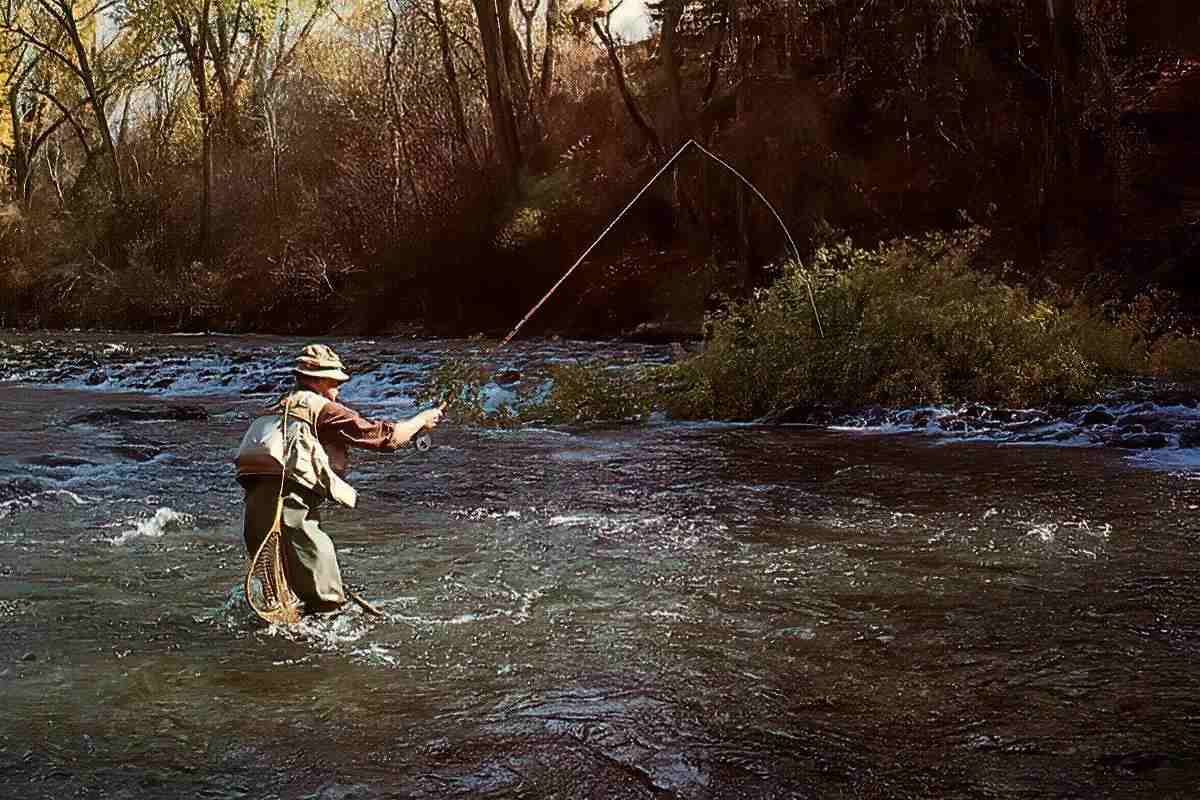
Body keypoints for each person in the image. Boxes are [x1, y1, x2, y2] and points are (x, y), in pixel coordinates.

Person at [235, 344, 442, 613]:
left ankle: (285, 618)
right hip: (290, 497)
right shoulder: (325, 409)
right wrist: (421, 421)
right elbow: (385, 438)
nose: (338, 388)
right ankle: (325, 619)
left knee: (276, 576)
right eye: (335, 381)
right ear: (318, 379)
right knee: (319, 573)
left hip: (255, 494)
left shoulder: (276, 406)